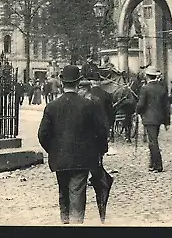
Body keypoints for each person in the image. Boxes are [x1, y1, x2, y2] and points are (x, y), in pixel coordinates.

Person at [38, 65, 109, 225]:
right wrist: (100, 150)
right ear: (78, 83)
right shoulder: (88, 105)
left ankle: (65, 223)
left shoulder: (52, 106)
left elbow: (42, 134)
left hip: (59, 158)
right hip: (82, 158)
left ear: (62, 84)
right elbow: (100, 131)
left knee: (63, 192)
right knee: (77, 191)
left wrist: (53, 150)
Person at [136, 66, 170, 173]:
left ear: (147, 77)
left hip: (149, 119)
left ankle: (158, 165)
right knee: (153, 140)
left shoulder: (145, 89)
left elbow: (141, 105)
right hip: (159, 119)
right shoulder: (162, 88)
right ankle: (152, 164)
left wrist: (137, 110)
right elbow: (166, 107)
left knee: (153, 142)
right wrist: (167, 122)